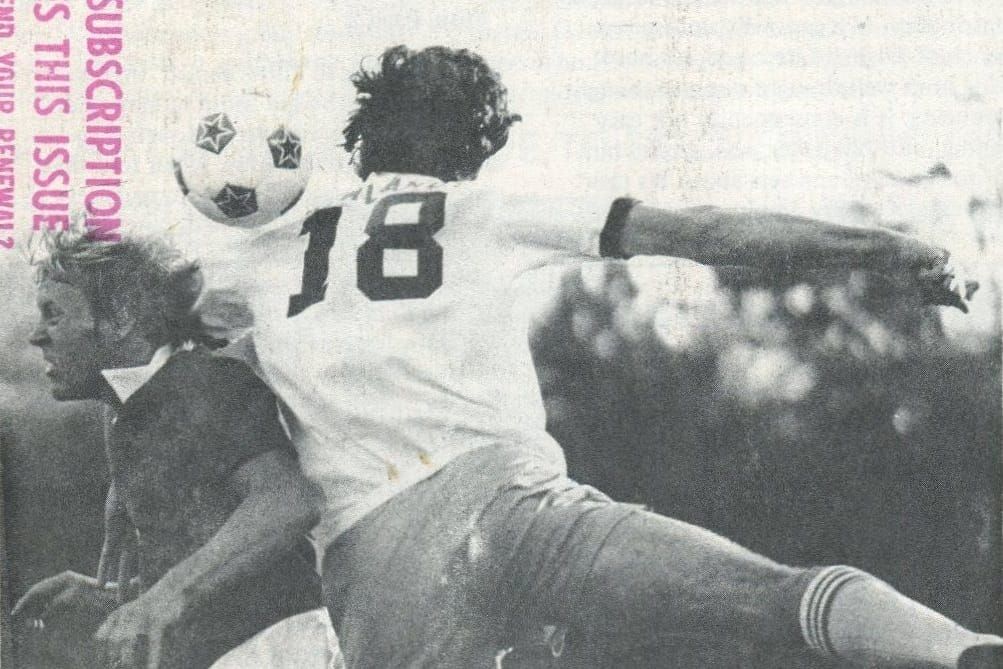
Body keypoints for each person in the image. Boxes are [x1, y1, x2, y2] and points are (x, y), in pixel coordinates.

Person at [180, 45, 996, 668]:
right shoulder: (482, 209)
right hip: (516, 507)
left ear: (360, 140)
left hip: (379, 561)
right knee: (771, 595)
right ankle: (957, 647)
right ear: (480, 146)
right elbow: (707, 231)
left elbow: (144, 355)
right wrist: (888, 248)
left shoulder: (256, 260)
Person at [12, 232, 328, 669]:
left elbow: (289, 502)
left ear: (121, 318)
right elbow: (211, 549)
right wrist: (115, 596)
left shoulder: (204, 382)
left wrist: (160, 599)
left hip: (273, 646)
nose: (36, 335)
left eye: (54, 314)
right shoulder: (137, 407)